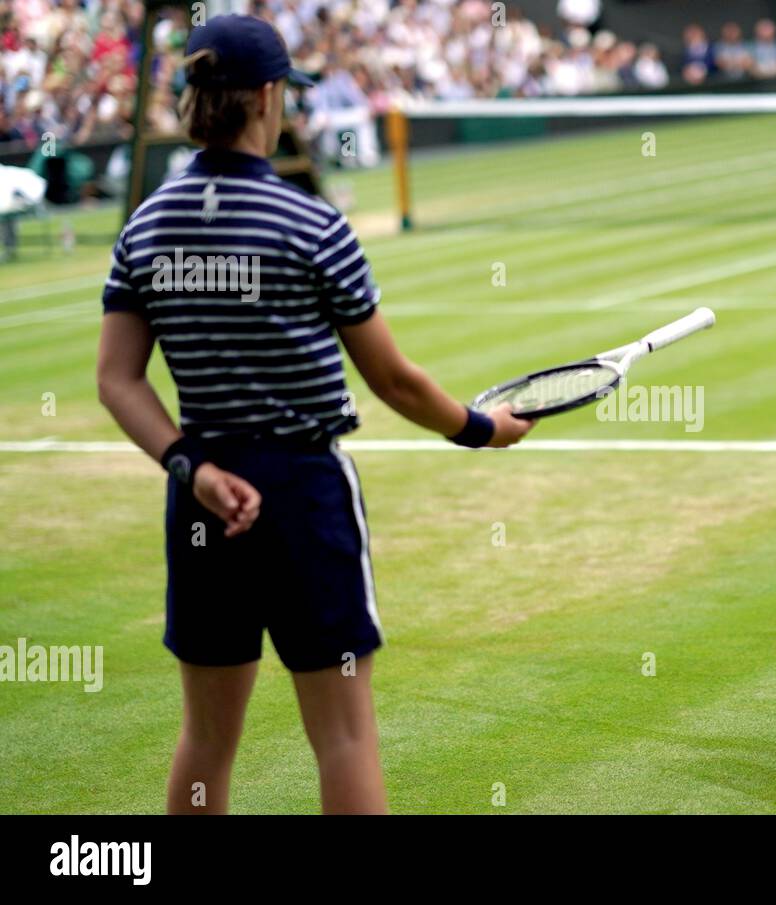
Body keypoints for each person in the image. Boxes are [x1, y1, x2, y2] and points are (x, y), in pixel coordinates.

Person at [95, 14, 533, 815]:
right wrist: (479, 427)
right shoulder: (313, 224)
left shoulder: (146, 224)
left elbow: (117, 381)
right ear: (269, 97)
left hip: (202, 495)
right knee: (343, 737)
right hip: (305, 494)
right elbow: (393, 380)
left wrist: (190, 467)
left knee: (204, 741)